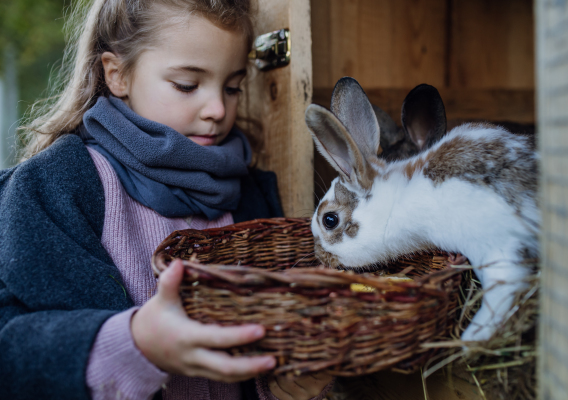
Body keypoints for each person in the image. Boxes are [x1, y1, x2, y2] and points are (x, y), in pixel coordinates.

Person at [0, 0, 333, 399]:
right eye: (187, 85)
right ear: (118, 74)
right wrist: (137, 341)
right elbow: (15, 349)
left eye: (232, 87)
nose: (216, 109)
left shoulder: (249, 194)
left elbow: (260, 362)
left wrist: (281, 386)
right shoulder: (58, 184)